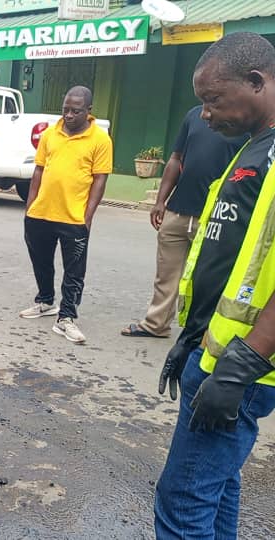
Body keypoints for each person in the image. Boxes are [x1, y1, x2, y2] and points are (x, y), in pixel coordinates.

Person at [154, 32, 275, 537]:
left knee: (182, 501)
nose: (204, 114)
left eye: (213, 99)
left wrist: (242, 364)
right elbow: (227, 256)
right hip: (213, 353)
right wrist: (189, 337)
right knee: (218, 486)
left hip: (240, 365)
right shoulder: (251, 148)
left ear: (256, 81)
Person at [122, 106, 247, 339]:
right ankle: (155, 324)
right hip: (178, 210)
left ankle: (203, 333)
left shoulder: (241, 122)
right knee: (166, 274)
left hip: (216, 215)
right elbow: (175, 158)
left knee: (208, 279)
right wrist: (161, 200)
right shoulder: (193, 115)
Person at [19, 86, 112, 344]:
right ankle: (45, 301)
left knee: (74, 271)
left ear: (88, 111)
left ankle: (67, 317)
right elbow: (38, 171)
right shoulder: (51, 134)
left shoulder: (100, 140)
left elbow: (100, 179)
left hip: (74, 217)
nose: (69, 115)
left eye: (76, 111)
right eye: (66, 110)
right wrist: (30, 205)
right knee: (41, 262)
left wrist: (88, 215)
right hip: (41, 212)